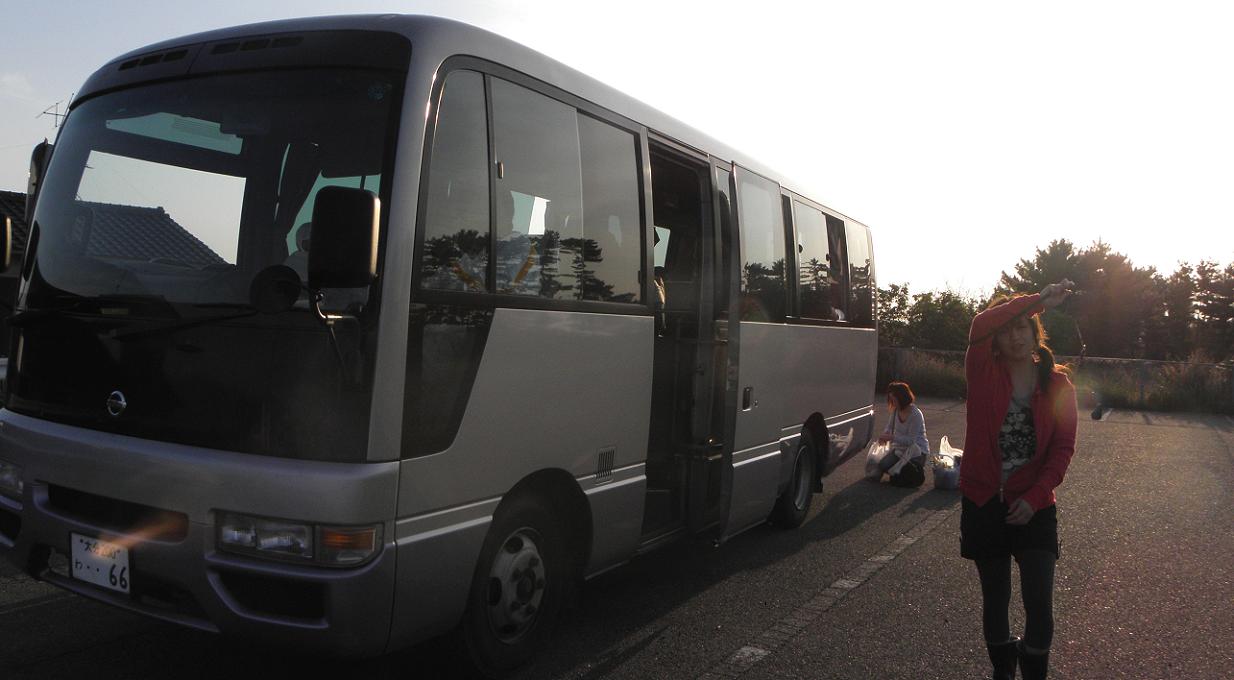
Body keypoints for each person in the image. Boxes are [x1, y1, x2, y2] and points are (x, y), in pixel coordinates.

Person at [961, 280, 1078, 680]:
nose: (1014, 336)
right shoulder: (982, 372)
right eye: (1007, 329)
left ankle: (1032, 667)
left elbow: (1063, 448)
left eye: (1022, 327)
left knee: (1039, 606)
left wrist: (1036, 496)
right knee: (996, 600)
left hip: (1035, 505)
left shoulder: (1058, 384)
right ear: (996, 339)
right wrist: (1037, 300)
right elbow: (980, 324)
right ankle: (1003, 668)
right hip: (984, 501)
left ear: (1034, 332)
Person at [875, 381, 928, 486]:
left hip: (917, 451)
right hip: (900, 450)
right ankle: (902, 470)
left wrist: (892, 438)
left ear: (902, 399)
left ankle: (916, 467)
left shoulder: (916, 414)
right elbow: (889, 427)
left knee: (902, 472)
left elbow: (910, 441)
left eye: (894, 400)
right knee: (883, 465)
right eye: (891, 400)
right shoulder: (896, 411)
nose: (893, 403)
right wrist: (884, 436)